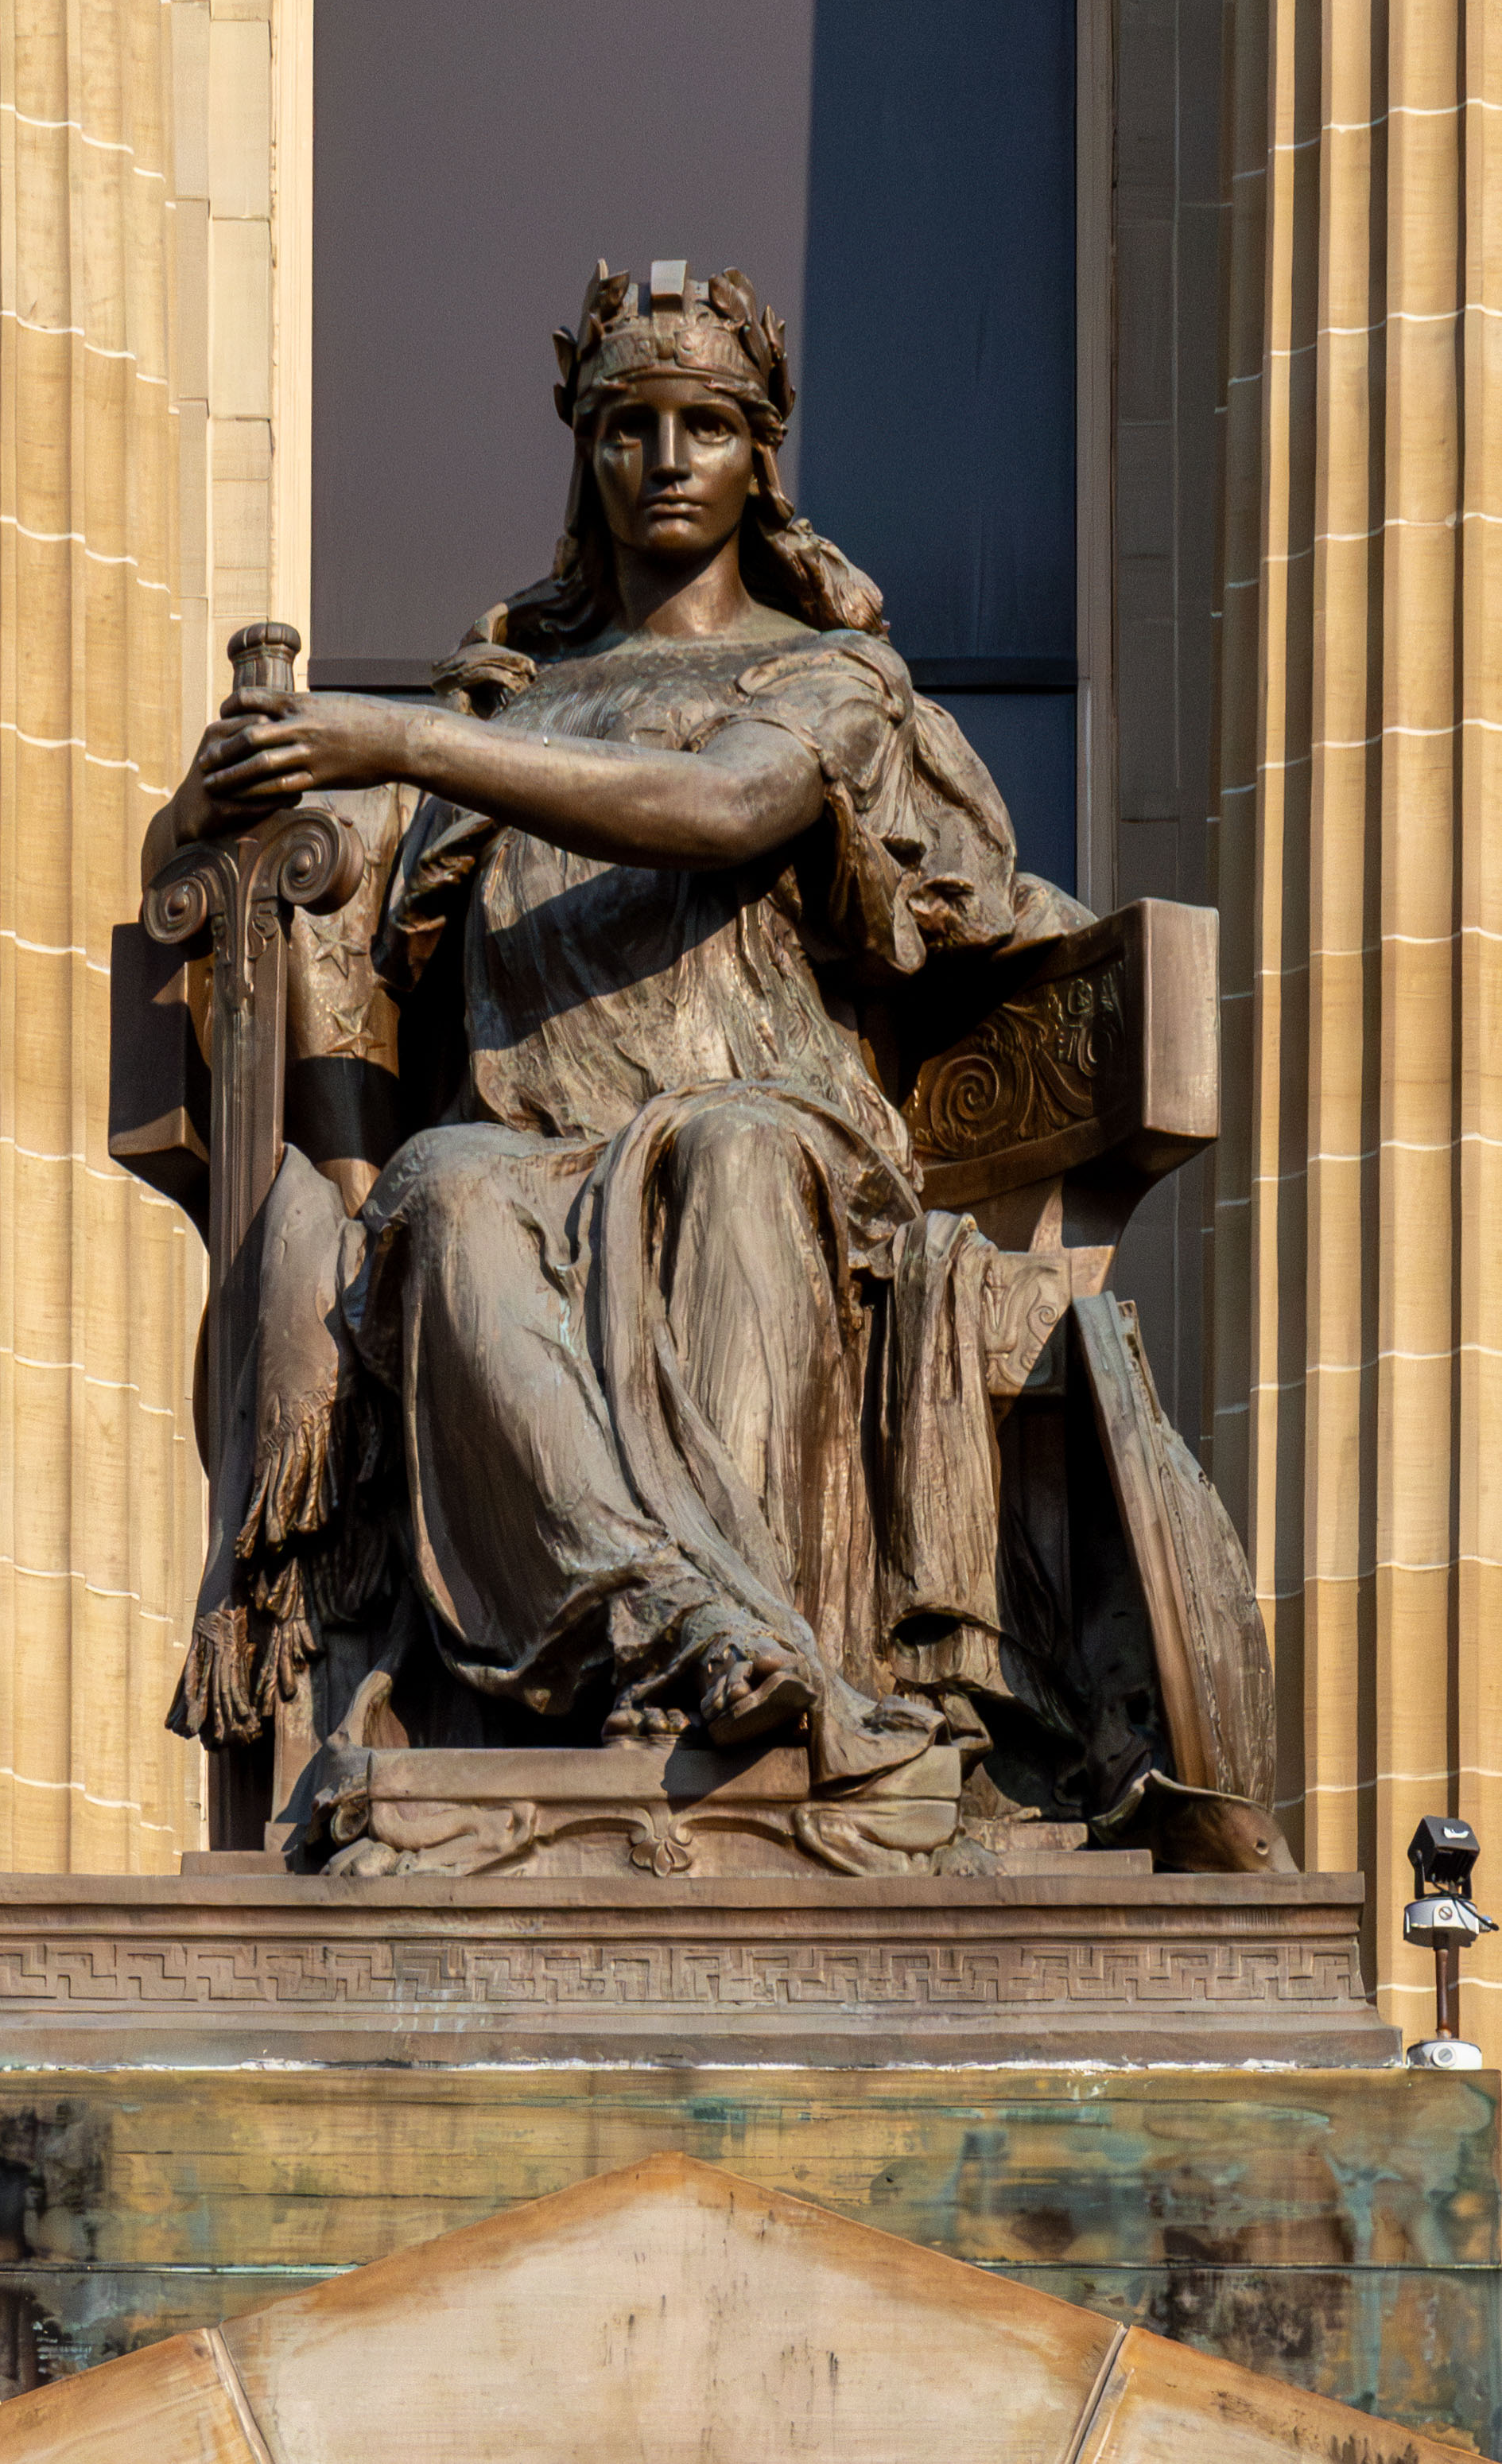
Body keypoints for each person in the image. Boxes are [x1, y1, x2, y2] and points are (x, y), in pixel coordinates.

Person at [147, 262, 1088, 1793]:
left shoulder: (829, 677)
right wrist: (224, 795)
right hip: (532, 1142)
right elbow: (276, 883)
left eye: (703, 427)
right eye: (626, 427)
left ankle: (763, 1628)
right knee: (440, 1192)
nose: (663, 461)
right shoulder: (510, 696)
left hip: (766, 1108)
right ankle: (671, 1621)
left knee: (727, 1156)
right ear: (584, 457)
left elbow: (720, 806)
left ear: (757, 459)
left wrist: (396, 730)